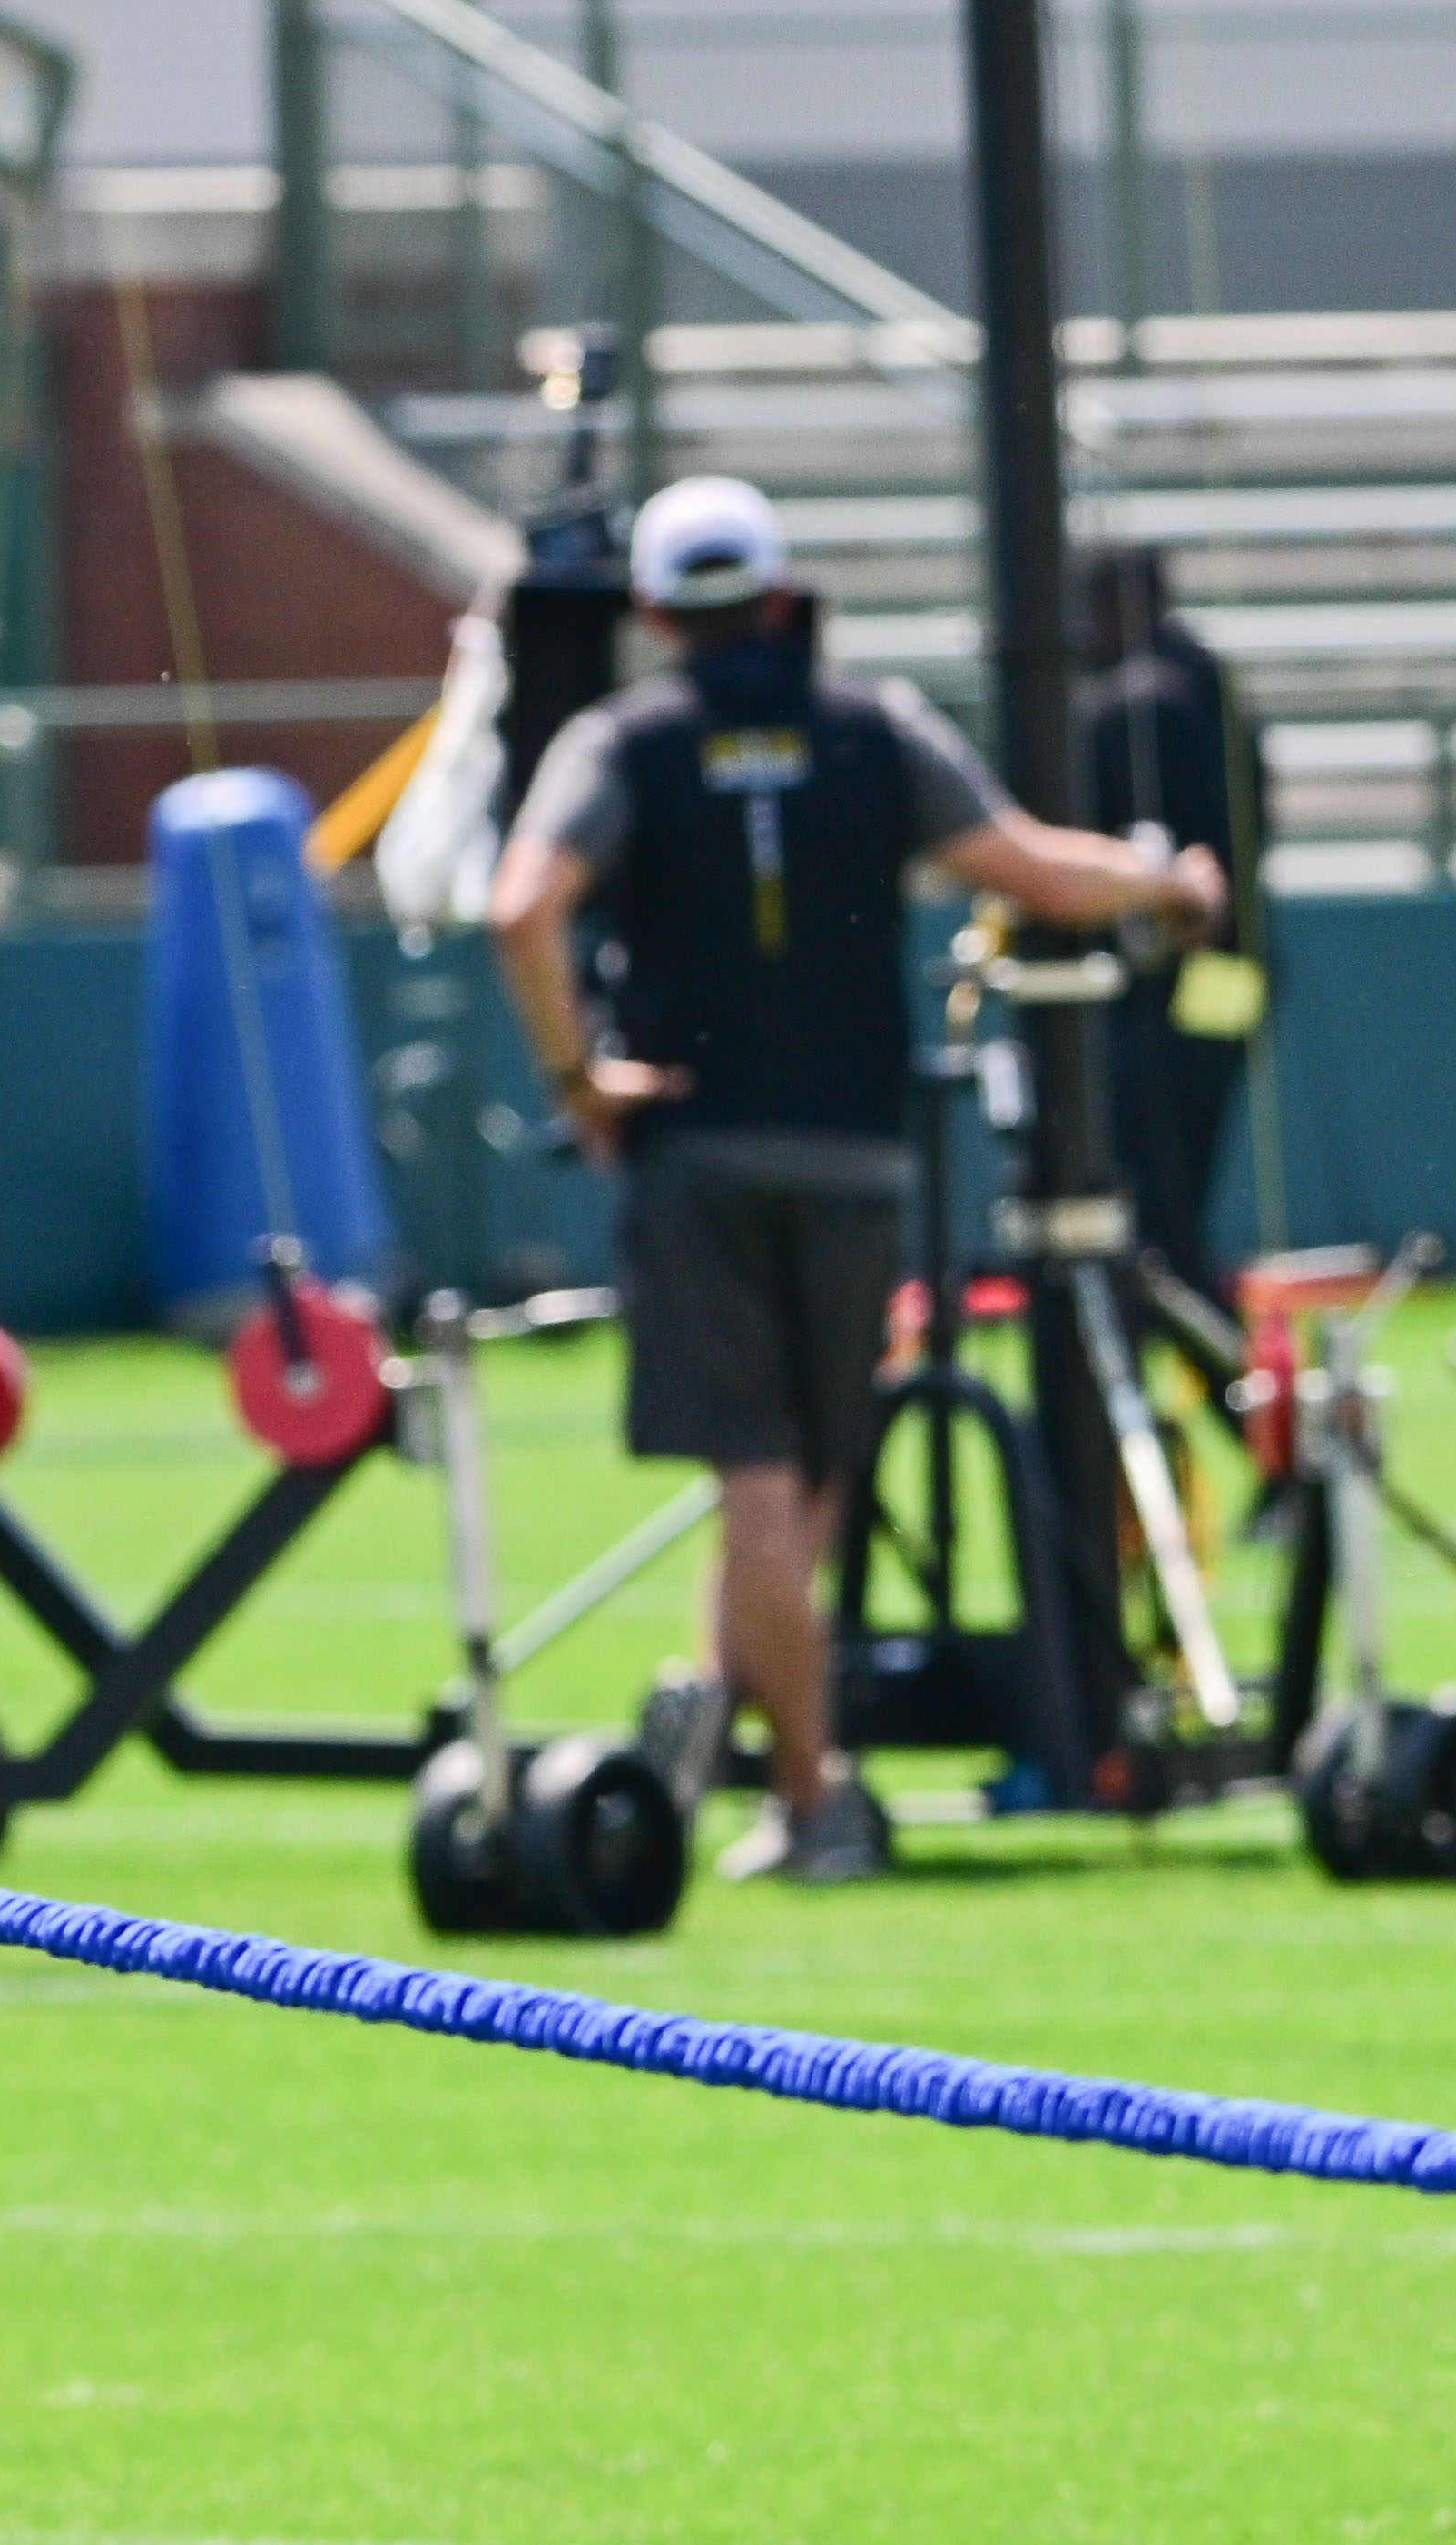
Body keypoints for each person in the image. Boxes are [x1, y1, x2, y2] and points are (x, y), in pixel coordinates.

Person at [479, 473, 1221, 1888]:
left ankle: (808, 1791)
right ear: (780, 589)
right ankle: (754, 1743)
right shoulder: (877, 724)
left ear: (652, 610)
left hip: (699, 1152)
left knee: (757, 1483)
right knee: (807, 1484)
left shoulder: (622, 742)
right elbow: (1027, 871)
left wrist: (579, 1080)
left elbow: (523, 906)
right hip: (858, 1151)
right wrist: (1165, 879)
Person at [1070, 541, 1267, 1308]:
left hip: (1172, 982)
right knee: (1174, 1187)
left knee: (1155, 1198)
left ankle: (1222, 1378)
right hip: (1233, 978)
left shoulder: (1138, 701)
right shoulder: (1211, 683)